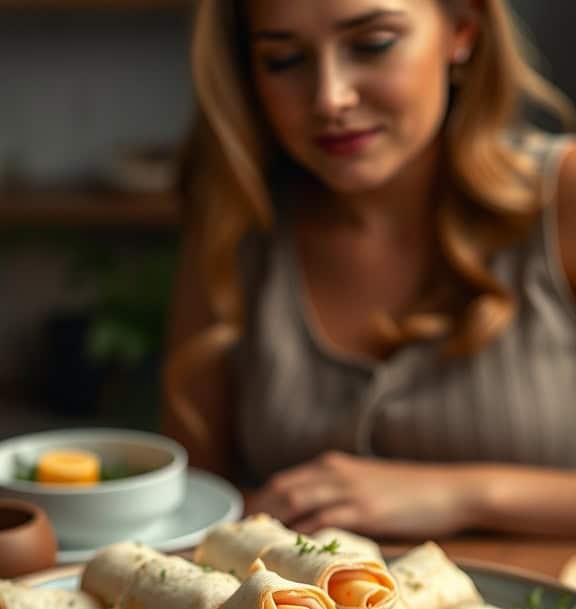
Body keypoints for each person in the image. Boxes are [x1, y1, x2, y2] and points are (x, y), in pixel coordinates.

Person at [163, 0, 576, 541]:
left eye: (373, 44)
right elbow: (191, 506)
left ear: (462, 32)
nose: (330, 98)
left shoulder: (563, 194)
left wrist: (460, 495)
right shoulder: (237, 224)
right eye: (284, 60)